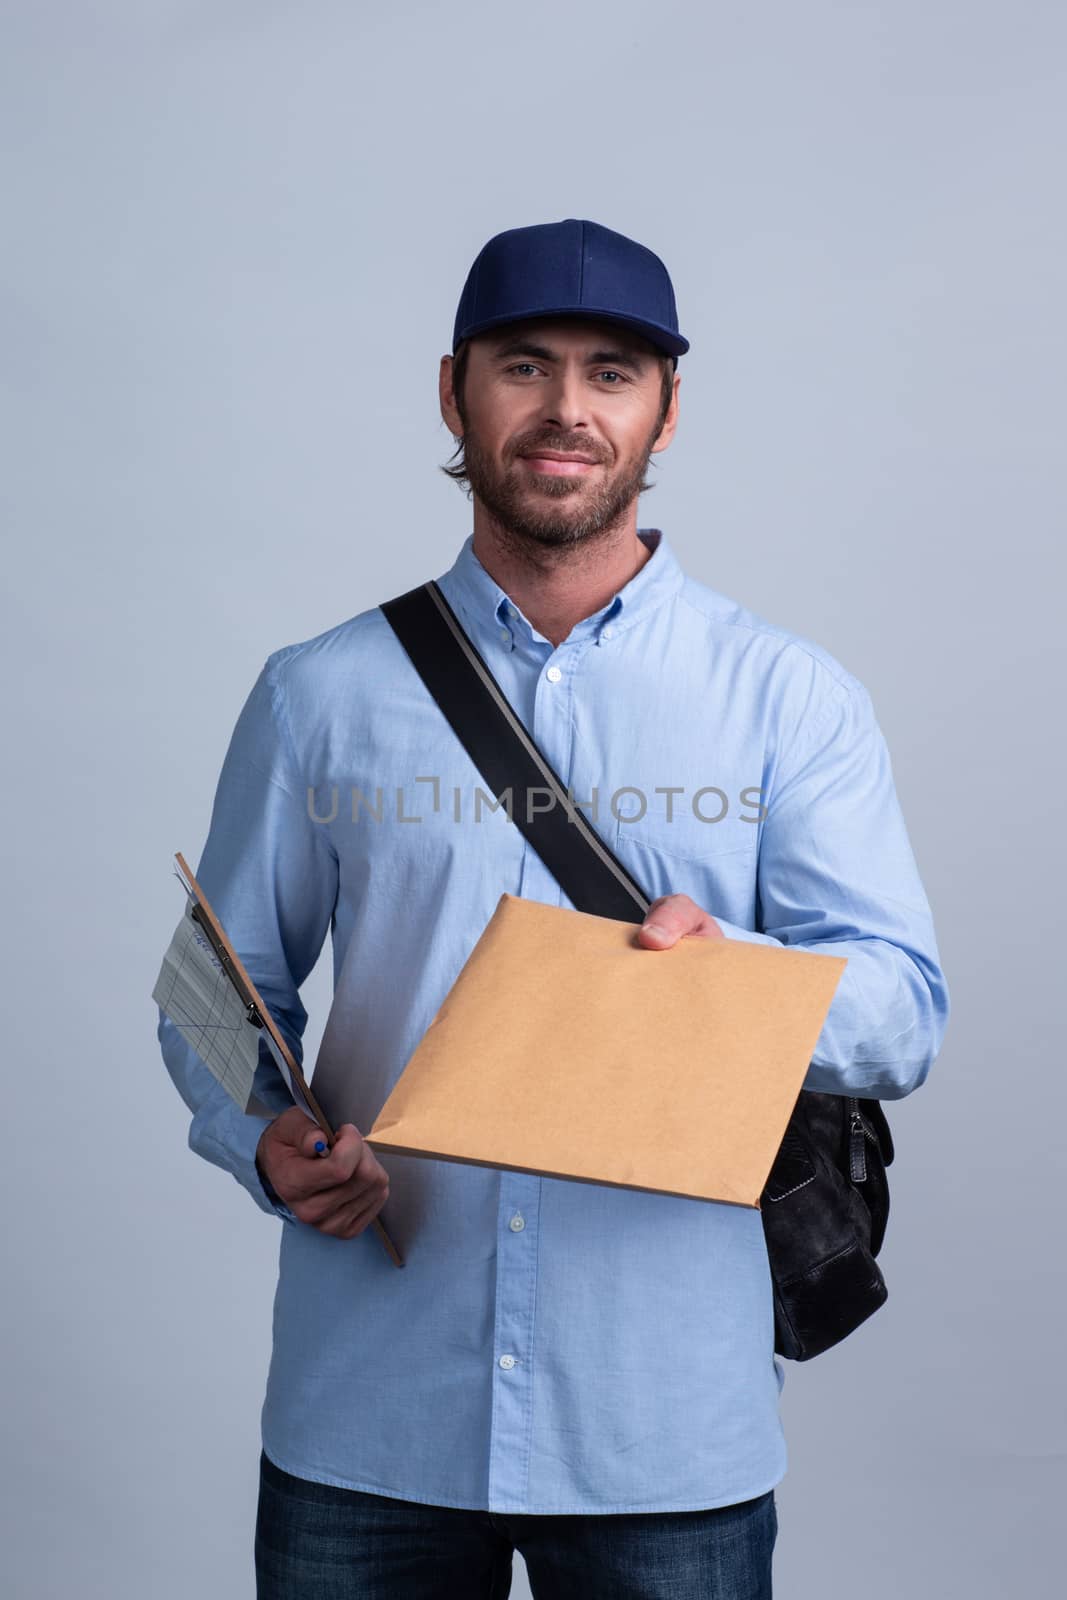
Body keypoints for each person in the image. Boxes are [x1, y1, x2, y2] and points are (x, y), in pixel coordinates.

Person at [157, 218, 949, 1599]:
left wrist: (735, 980)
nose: (568, 410)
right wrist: (261, 1137)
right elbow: (212, 997)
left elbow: (903, 1014)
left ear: (668, 409)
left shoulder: (788, 699)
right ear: (455, 389)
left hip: (664, 1431)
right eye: (525, 366)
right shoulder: (320, 693)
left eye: (614, 371)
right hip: (369, 1418)